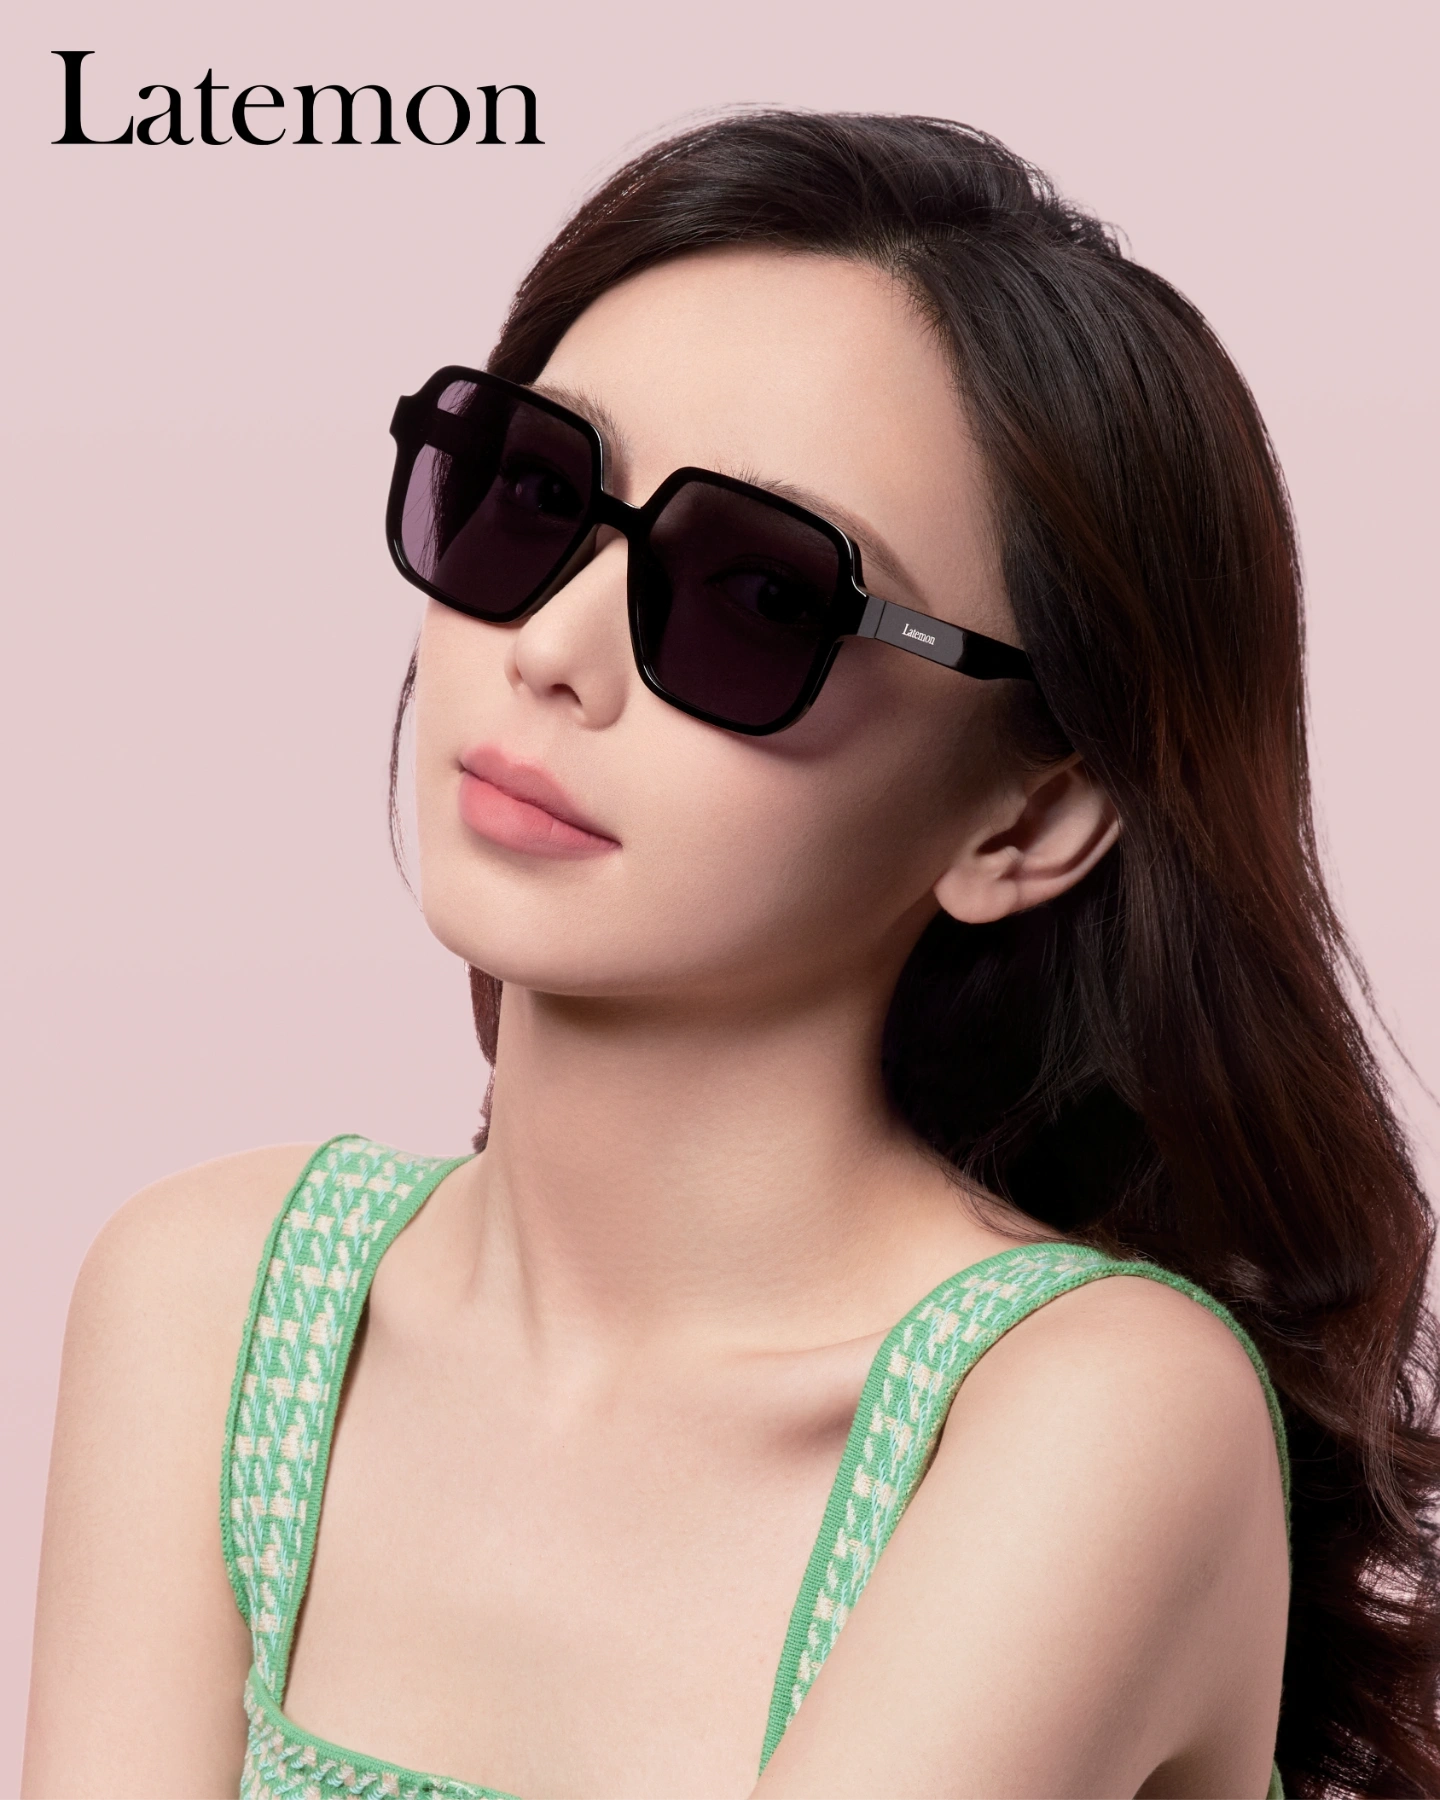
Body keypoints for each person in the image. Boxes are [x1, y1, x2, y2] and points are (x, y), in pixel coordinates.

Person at [22, 111, 1440, 1800]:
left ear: (1031, 819)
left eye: (763, 597)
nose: (551, 649)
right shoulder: (212, 1299)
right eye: (534, 495)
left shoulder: (1089, 1416)